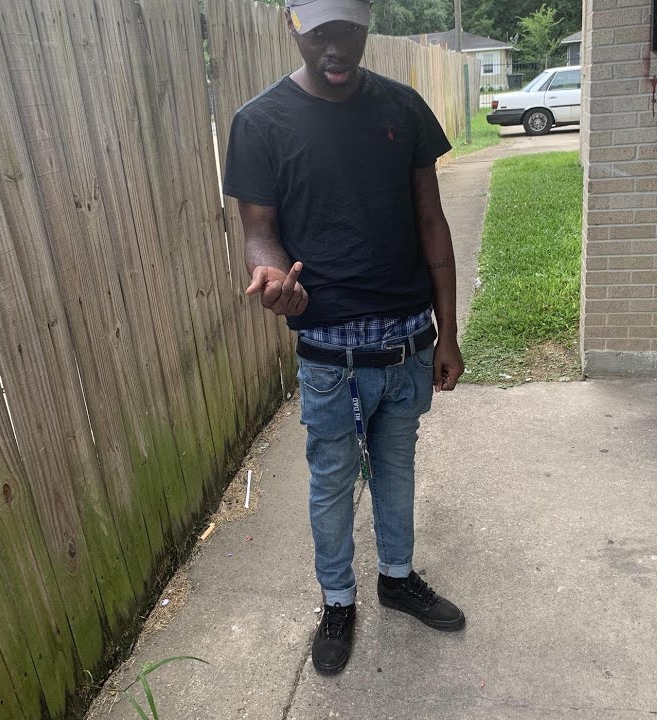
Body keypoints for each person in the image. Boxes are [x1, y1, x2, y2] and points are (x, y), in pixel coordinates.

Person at [222, 0, 466, 676]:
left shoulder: (403, 108)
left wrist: (448, 333)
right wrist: (273, 275)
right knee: (331, 482)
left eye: (349, 31)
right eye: (320, 32)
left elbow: (432, 221)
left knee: (397, 467)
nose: (336, 47)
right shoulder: (260, 123)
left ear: (367, 25)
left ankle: (397, 577)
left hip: (408, 340)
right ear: (292, 24)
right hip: (329, 352)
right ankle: (337, 601)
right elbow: (259, 232)